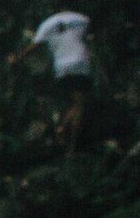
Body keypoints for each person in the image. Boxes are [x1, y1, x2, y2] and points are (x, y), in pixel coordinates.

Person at [28, 9, 94, 144]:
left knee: (73, 102)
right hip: (80, 64)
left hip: (62, 68)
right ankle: (71, 144)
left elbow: (35, 45)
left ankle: (62, 128)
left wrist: (17, 57)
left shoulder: (46, 24)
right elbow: (89, 36)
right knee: (79, 105)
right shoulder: (81, 18)